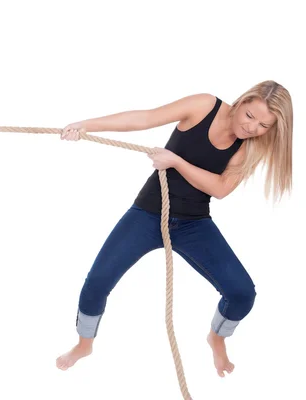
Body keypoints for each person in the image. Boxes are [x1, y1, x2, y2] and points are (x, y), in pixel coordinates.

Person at [56, 81, 293, 377]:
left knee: (242, 292)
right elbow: (144, 118)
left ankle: (216, 337)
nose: (252, 127)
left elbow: (220, 189)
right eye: (250, 116)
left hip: (194, 224)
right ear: (243, 101)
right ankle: (84, 344)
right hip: (147, 214)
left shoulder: (248, 148)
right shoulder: (204, 106)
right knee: (98, 281)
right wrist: (85, 125)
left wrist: (176, 162)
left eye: (263, 125)